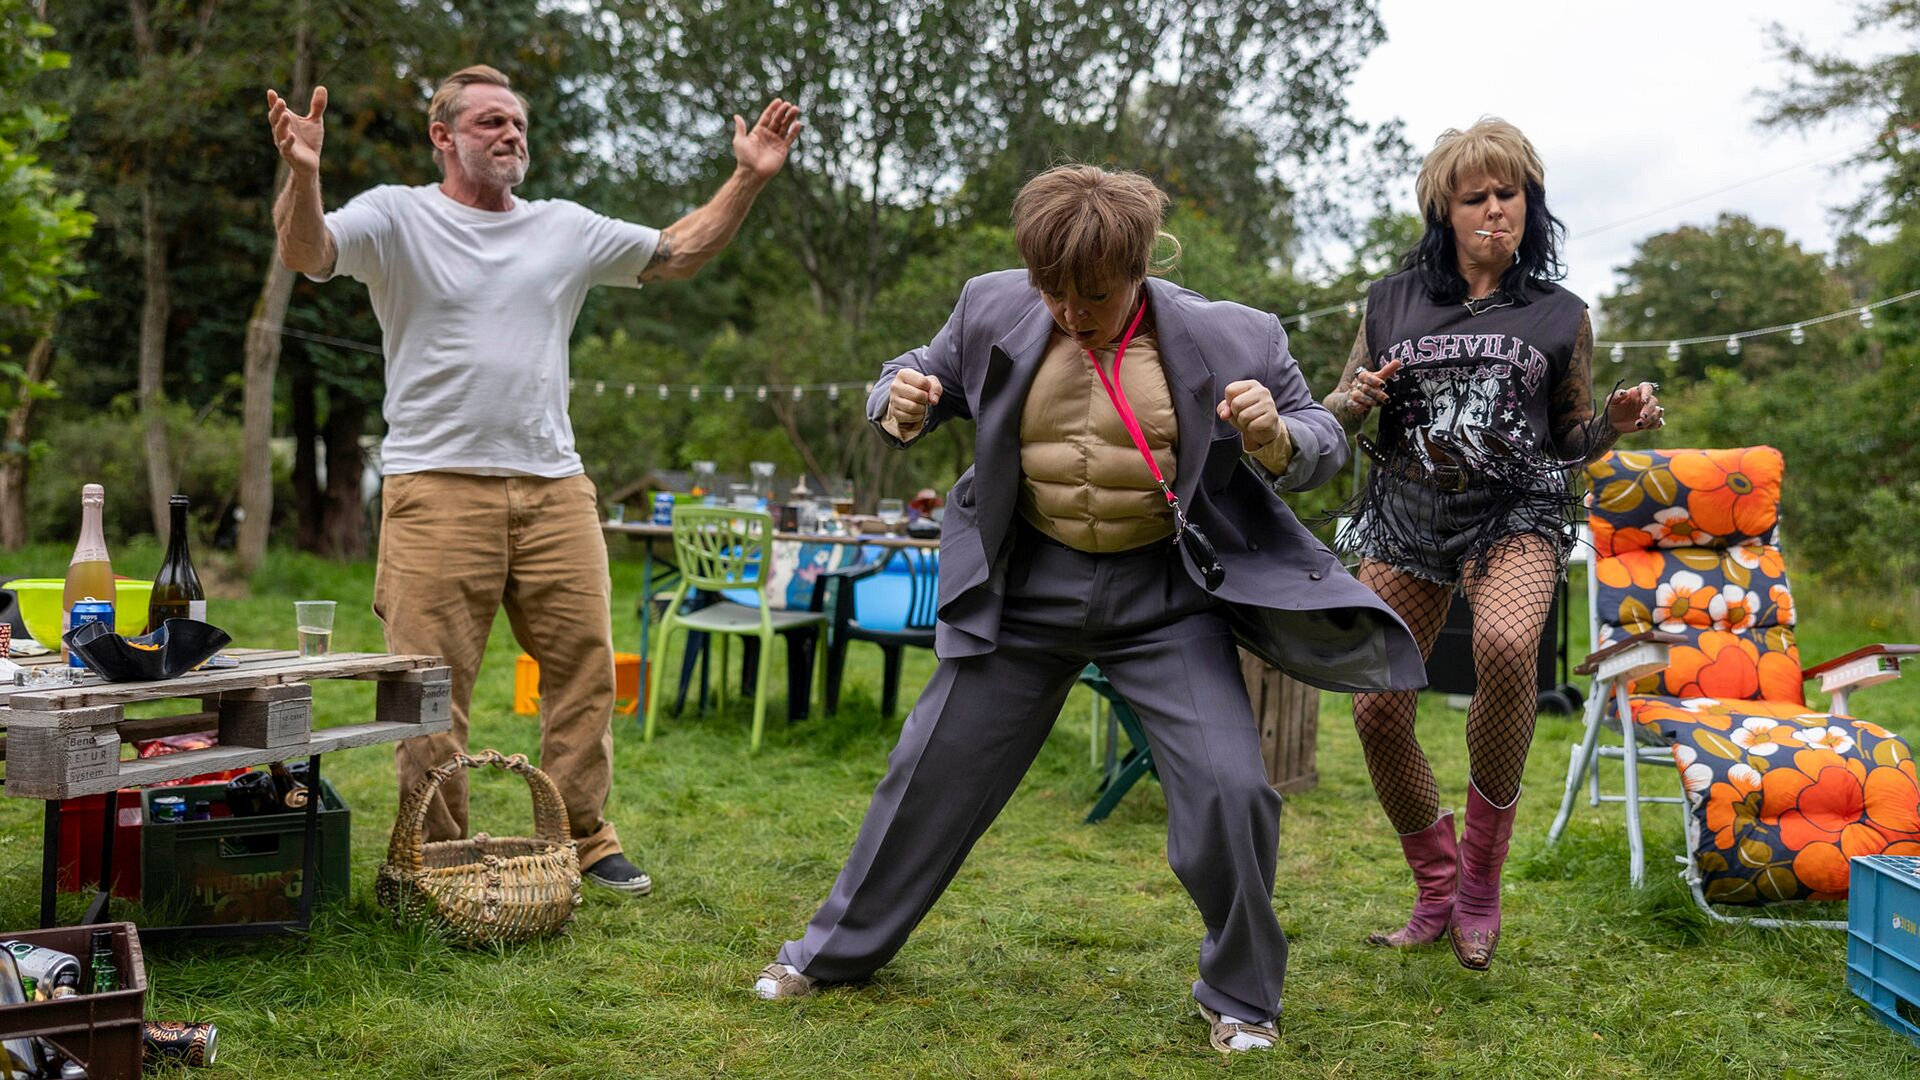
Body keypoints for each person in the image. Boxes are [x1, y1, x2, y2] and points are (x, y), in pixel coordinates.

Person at [752, 165, 1424, 1053]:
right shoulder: (991, 306)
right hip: (1026, 590)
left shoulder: (1237, 334)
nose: (1070, 310)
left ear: (1142, 265)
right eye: (1052, 289)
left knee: (1233, 790)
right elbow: (911, 375)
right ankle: (830, 953)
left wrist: (1276, 433)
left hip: (1166, 600)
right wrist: (896, 400)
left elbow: (1323, 439)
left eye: (1094, 294)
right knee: (927, 773)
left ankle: (1241, 996)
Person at [265, 65, 801, 898]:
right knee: (429, 685)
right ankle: (433, 854)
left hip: (555, 487)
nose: (511, 134)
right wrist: (303, 173)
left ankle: (583, 836)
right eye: (489, 123)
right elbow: (308, 252)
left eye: (517, 122)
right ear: (444, 137)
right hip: (435, 488)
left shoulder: (564, 228)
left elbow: (677, 252)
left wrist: (746, 177)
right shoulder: (398, 215)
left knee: (586, 669)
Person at [1325, 118, 1663, 969]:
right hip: (1407, 513)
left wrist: (1613, 426)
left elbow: (1570, 442)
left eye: (1507, 194)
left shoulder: (1560, 315)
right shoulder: (1390, 301)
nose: (1493, 210)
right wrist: (1357, 397)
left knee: (1511, 648)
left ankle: (1481, 879)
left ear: (1528, 204)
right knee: (1375, 705)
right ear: (1444, 209)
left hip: (1516, 511)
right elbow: (1335, 411)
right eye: (1474, 196)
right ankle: (1434, 886)